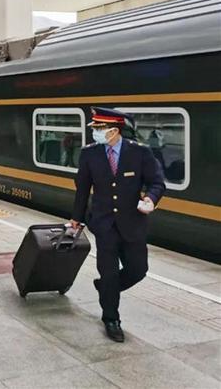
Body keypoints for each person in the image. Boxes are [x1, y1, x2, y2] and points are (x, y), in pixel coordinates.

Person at [71, 107, 165, 343]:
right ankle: (111, 319)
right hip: (103, 225)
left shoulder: (140, 153)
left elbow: (157, 182)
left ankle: (105, 287)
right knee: (110, 273)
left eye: (99, 128)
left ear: (114, 131)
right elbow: (82, 189)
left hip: (133, 223)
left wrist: (150, 199)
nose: (95, 132)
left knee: (138, 270)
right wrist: (76, 219)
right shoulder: (89, 154)